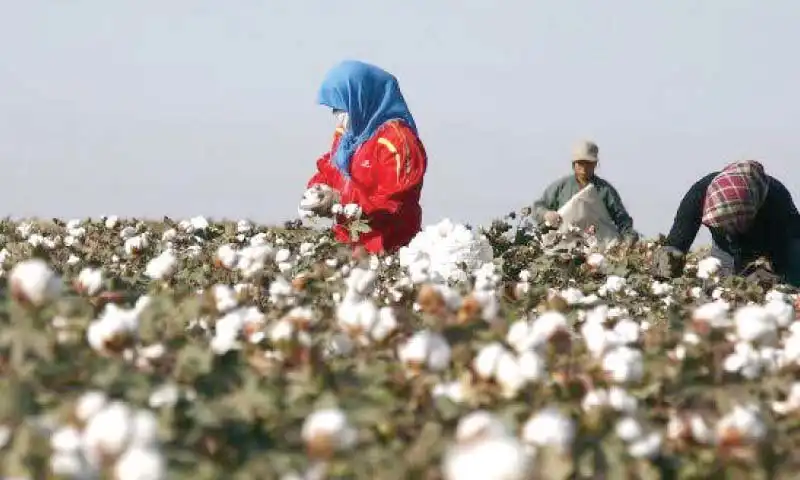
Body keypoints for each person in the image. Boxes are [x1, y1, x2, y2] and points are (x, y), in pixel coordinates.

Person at [299, 60, 428, 254]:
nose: (337, 114)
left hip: (389, 251)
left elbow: (393, 203)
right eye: (334, 108)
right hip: (348, 246)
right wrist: (316, 191)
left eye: (341, 106)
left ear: (362, 98)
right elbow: (331, 170)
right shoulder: (348, 136)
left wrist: (340, 202)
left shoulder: (398, 141)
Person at [652, 160, 800, 286]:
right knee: (722, 283)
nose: (728, 230)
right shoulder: (701, 191)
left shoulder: (777, 200)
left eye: (730, 223)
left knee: (793, 275)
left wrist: (776, 276)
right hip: (725, 248)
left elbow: (790, 242)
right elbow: (681, 232)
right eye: (720, 223)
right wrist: (671, 252)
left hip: (772, 240)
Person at [532, 140, 638, 244]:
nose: (584, 168)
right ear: (574, 164)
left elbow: (622, 218)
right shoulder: (561, 187)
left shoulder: (605, 190)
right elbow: (537, 207)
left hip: (599, 246)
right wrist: (546, 214)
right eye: (580, 163)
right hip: (563, 245)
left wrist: (628, 238)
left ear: (595, 164)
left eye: (588, 164)